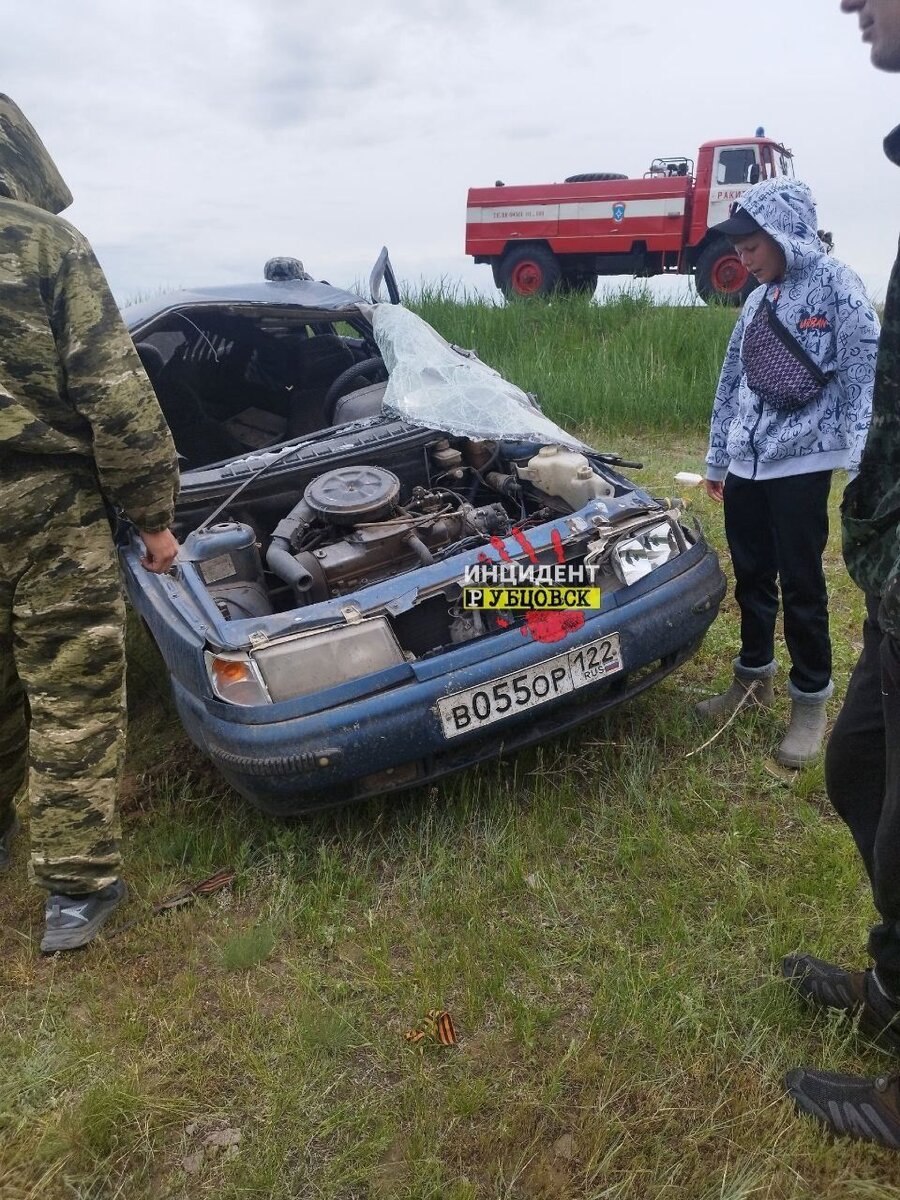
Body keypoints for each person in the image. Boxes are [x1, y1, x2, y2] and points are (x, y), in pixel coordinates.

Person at [0, 96, 180, 952]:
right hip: (46, 508)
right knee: (70, 689)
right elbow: (115, 395)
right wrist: (153, 518)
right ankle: (76, 895)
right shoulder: (47, 244)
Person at [781, 0, 900, 1148]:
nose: (850, 5)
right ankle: (891, 988)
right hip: (896, 577)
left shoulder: (831, 287)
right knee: (861, 774)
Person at [698, 177, 878, 769]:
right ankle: (752, 682)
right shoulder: (754, 302)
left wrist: (859, 466)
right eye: (740, 249)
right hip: (747, 465)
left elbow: (862, 379)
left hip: (803, 464)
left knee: (802, 583)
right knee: (752, 574)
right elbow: (732, 379)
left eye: (752, 246)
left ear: (784, 235)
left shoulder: (838, 287)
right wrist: (718, 457)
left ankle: (810, 702)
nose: (743, 259)